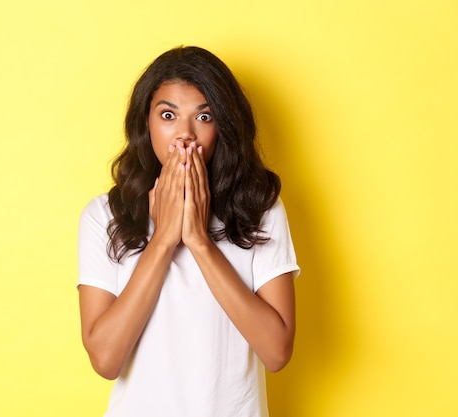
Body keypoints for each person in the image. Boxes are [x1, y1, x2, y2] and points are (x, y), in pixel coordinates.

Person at [77, 45, 300, 417]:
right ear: (145, 123)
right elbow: (105, 359)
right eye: (168, 115)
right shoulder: (105, 216)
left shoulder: (260, 210)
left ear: (224, 126)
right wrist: (164, 238)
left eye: (204, 116)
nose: (185, 135)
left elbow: (277, 352)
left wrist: (198, 240)